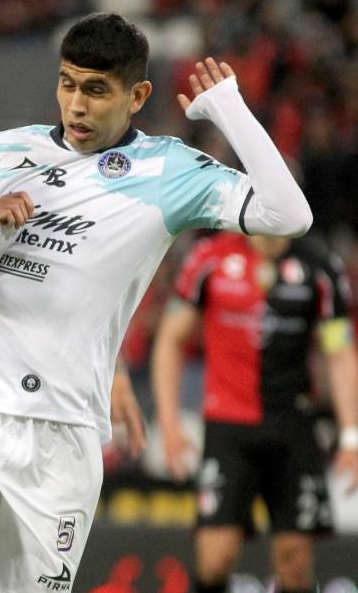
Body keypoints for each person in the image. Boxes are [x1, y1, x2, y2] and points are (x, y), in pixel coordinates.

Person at [0, 12, 313, 593]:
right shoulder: (6, 151)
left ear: (137, 95)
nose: (77, 105)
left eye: (96, 89)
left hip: (63, 433)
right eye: (68, 83)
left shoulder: (169, 171)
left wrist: (228, 110)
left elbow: (290, 215)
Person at [151, 233, 358, 593]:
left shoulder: (320, 266)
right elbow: (170, 338)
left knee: (294, 562)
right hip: (227, 429)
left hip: (293, 426)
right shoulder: (209, 258)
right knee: (215, 559)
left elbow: (338, 350)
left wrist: (351, 435)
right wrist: (169, 423)